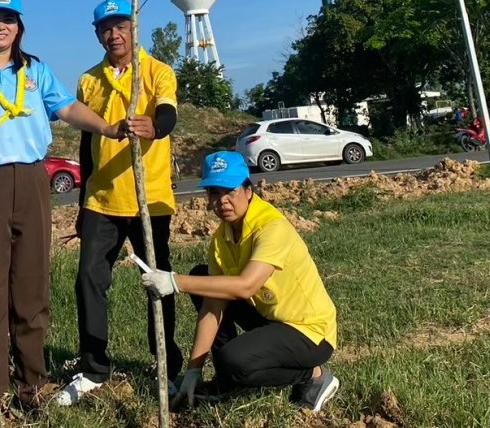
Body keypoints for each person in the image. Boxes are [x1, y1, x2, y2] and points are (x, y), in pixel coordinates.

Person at [0, 0, 123, 427]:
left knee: (33, 291)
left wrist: (110, 128)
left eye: (9, 18)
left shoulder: (36, 70)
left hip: (33, 182)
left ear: (19, 27)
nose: (1, 26)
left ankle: (31, 389)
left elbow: (69, 108)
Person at [139, 151, 340, 414]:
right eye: (213, 192)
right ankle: (227, 380)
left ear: (248, 190)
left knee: (234, 361)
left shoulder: (271, 228)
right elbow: (213, 305)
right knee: (204, 279)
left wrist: (176, 282)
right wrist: (193, 369)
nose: (222, 201)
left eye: (230, 191)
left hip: (309, 332)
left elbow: (246, 286)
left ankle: (312, 374)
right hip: (272, 319)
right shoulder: (222, 238)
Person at [55, 0, 183, 406]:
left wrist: (155, 128)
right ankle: (94, 369)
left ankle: (167, 366)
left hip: (151, 200)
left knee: (159, 282)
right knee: (89, 280)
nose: (114, 34)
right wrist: (82, 200)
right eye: (106, 28)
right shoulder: (89, 81)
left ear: (134, 29)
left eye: (121, 26)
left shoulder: (157, 71)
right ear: (97, 34)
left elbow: (167, 113)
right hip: (102, 201)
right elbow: (87, 143)